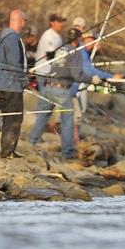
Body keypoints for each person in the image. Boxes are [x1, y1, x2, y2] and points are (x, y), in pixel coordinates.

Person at [27, 27, 81, 159]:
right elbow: (76, 74)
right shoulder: (76, 52)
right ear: (78, 39)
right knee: (67, 119)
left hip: (47, 87)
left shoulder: (59, 49)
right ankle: (67, 152)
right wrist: (92, 79)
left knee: (42, 117)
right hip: (61, 90)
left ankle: (30, 143)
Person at [0, 9, 29, 158]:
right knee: (14, 118)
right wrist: (24, 80)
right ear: (20, 21)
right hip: (12, 85)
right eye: (23, 21)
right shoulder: (12, 38)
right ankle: (8, 151)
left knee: (8, 117)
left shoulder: (2, 35)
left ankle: (7, 149)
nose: (24, 24)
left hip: (3, 84)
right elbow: (14, 63)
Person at [73, 29, 122, 140]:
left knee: (80, 110)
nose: (91, 43)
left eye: (93, 41)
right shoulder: (81, 50)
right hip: (74, 86)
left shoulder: (86, 52)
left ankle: (74, 138)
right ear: (84, 40)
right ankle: (74, 140)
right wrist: (111, 76)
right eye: (88, 40)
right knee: (78, 112)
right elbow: (89, 70)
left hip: (81, 84)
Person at [32, 13, 66, 91]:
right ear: (52, 22)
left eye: (62, 22)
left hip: (51, 73)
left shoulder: (58, 37)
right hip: (44, 73)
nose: (61, 24)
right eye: (59, 22)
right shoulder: (48, 35)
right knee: (45, 100)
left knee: (50, 100)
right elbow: (50, 56)